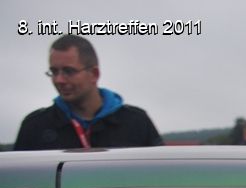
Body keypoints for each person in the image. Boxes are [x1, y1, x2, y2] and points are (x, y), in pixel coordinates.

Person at [14, 35, 161, 150]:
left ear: (94, 74)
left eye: (68, 71)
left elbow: (161, 175)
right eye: (54, 71)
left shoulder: (137, 122)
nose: (59, 80)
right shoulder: (34, 126)